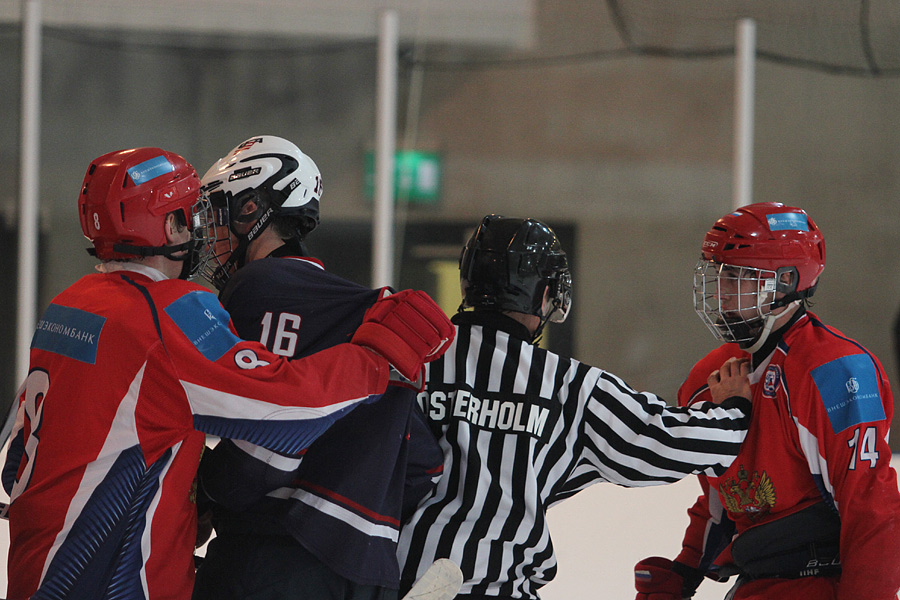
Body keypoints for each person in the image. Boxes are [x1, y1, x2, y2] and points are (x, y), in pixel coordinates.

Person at [1, 147, 454, 600]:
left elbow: (18, 462)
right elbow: (291, 407)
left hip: (35, 573)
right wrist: (378, 354)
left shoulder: (69, 306)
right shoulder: (166, 314)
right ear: (170, 226)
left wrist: (176, 501)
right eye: (188, 215)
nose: (200, 229)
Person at [398, 214, 757, 600]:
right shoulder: (567, 385)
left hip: (383, 583)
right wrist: (733, 408)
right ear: (544, 295)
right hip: (494, 587)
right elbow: (668, 443)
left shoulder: (408, 362)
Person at [189, 135, 444, 600]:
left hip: (273, 560)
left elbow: (258, 450)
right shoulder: (367, 314)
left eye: (219, 214)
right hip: (370, 573)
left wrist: (202, 493)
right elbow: (424, 466)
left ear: (252, 209)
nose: (211, 235)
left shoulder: (256, 286)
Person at [633, 202, 900, 600]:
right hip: (755, 585)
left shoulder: (837, 372)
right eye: (719, 277)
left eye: (739, 277)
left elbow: (871, 509)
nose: (722, 296)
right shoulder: (708, 379)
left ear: (787, 281)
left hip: (821, 585)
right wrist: (685, 572)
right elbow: (719, 498)